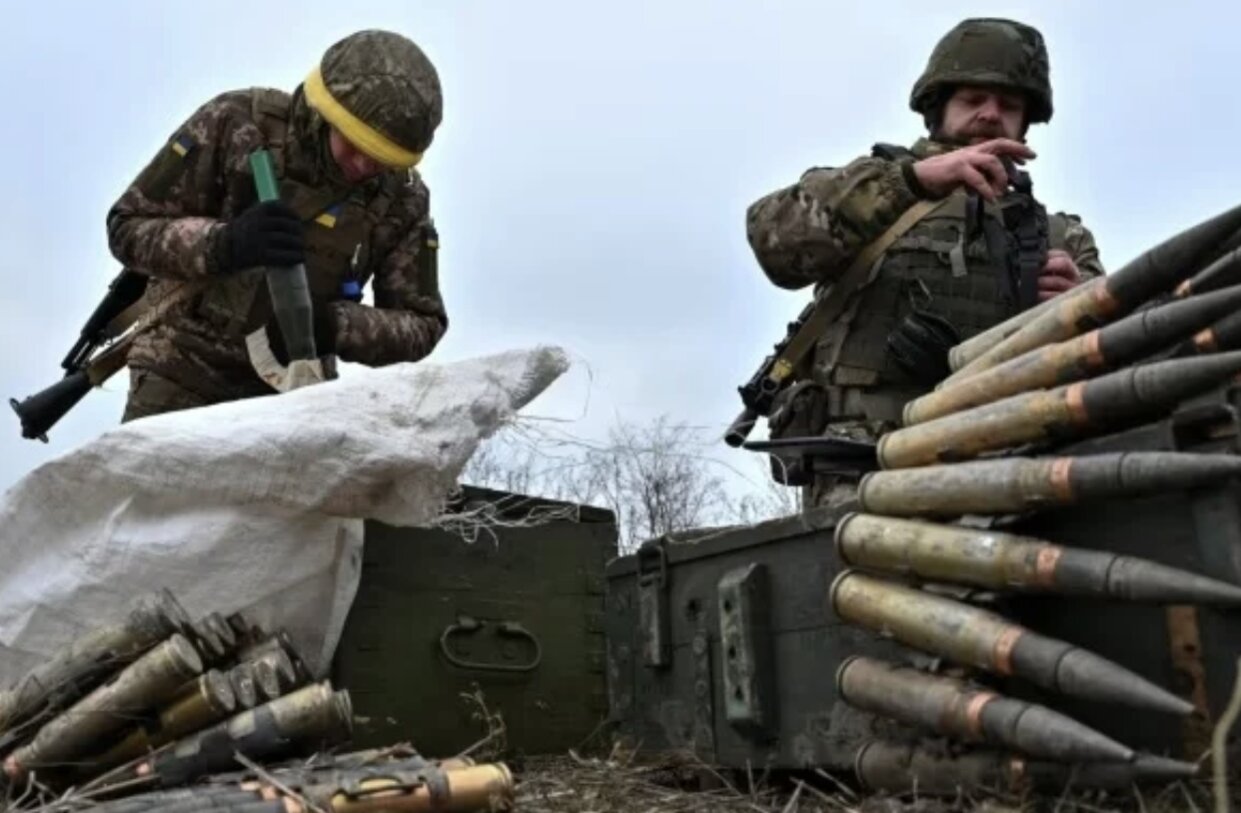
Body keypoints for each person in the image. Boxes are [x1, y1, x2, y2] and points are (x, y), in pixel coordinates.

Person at [744, 17, 1105, 509]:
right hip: (866, 467)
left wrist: (1078, 306)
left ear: (1026, 122)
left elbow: (1114, 359)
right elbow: (774, 243)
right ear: (938, 107)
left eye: (1008, 105)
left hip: (1010, 466)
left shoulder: (1061, 238)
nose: (990, 114)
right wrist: (910, 182)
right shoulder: (871, 193)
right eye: (973, 99)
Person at [106, 29, 447, 422]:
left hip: (294, 393)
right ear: (326, 114)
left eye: (381, 158)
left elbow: (422, 324)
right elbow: (127, 227)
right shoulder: (236, 124)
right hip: (181, 368)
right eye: (354, 145)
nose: (363, 165)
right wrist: (225, 243)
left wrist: (335, 327)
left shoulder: (402, 199)